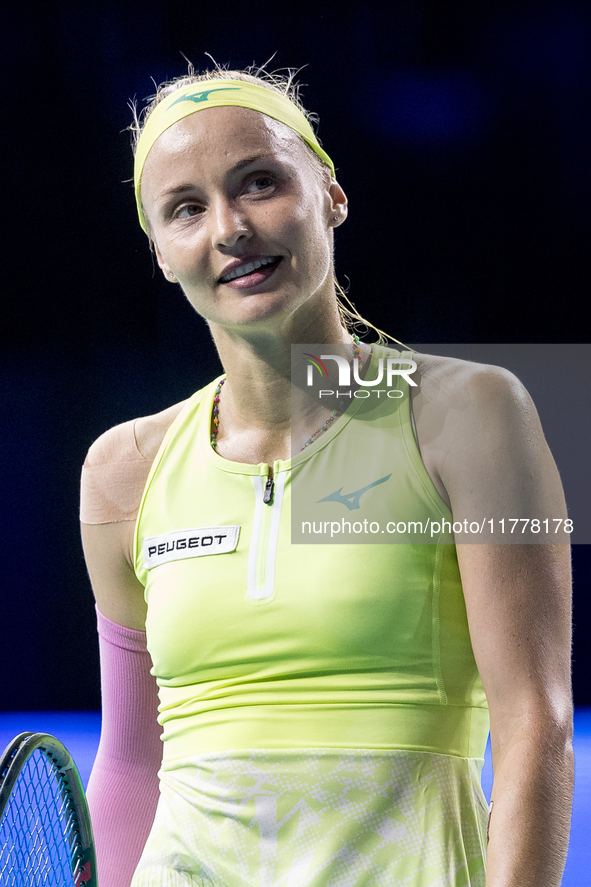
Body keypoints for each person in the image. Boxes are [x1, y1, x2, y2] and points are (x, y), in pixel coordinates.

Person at [81, 65, 574, 887]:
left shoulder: (471, 412)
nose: (231, 227)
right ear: (162, 254)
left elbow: (536, 726)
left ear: (331, 197)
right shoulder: (122, 467)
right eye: (187, 208)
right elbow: (133, 763)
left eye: (260, 182)